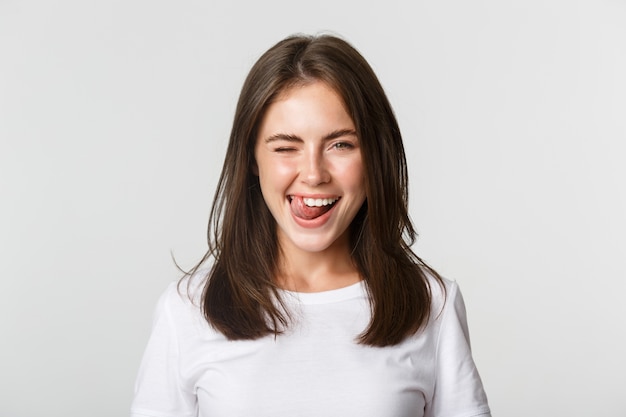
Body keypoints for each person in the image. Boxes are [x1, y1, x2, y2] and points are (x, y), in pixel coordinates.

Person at [131, 33, 491, 417]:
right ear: (252, 159)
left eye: (341, 145)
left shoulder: (431, 304)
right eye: (286, 147)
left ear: (374, 156)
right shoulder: (187, 309)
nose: (314, 174)